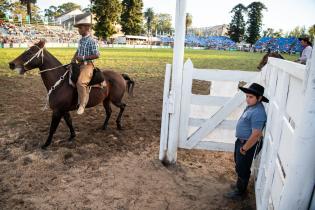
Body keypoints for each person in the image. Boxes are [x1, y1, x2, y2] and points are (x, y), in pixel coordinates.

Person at [224, 83, 268, 200]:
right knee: (239, 165)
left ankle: (240, 192)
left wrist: (244, 148)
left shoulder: (258, 112)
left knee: (243, 167)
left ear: (259, 98)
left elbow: (256, 134)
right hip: (241, 141)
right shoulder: (251, 107)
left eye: (251, 97)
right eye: (247, 96)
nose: (247, 99)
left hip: (247, 144)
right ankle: (240, 186)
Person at [71, 20, 100, 115]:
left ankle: (82, 105)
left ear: (87, 28)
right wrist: (72, 60)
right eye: (78, 28)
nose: (78, 30)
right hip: (79, 64)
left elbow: (97, 55)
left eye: (80, 28)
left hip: (87, 65)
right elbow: (78, 51)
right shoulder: (81, 40)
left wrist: (82, 58)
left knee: (80, 83)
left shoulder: (92, 41)